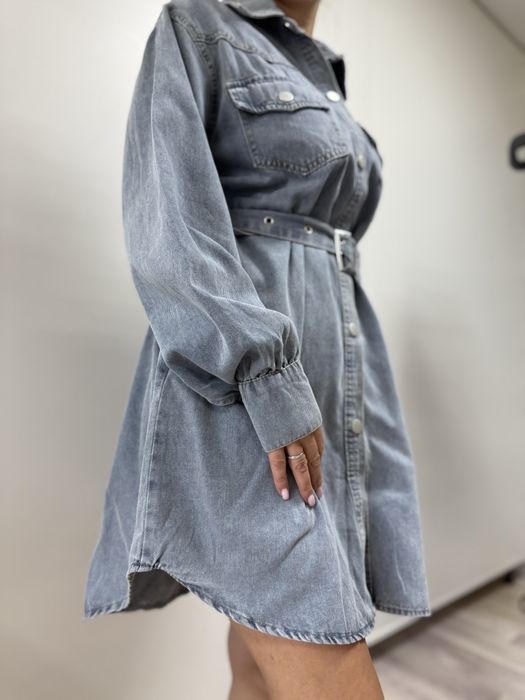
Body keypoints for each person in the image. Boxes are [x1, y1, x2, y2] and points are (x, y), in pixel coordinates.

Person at [83, 0, 432, 697]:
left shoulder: (323, 73)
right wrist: (266, 378)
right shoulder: (199, 23)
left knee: (261, 646)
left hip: (330, 379)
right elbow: (170, 222)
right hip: (242, 386)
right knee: (318, 632)